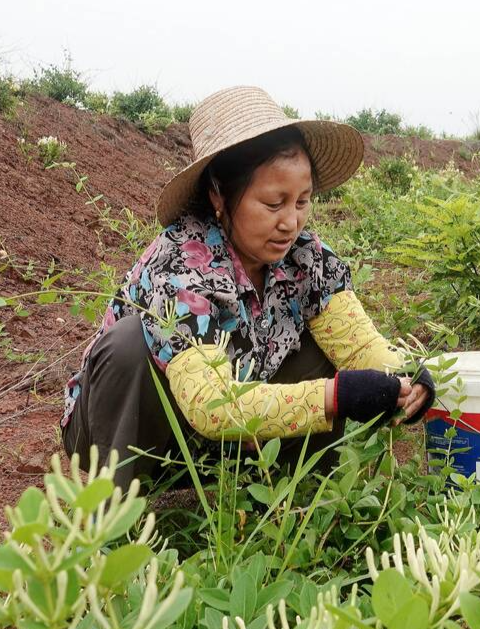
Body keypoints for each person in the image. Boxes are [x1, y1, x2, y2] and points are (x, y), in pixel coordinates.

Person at [62, 86, 435, 489]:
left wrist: (407, 376)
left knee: (328, 351)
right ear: (219, 195)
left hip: (224, 443)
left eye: (302, 202)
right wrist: (333, 398)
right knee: (130, 343)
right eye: (274, 204)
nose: (291, 222)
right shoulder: (183, 263)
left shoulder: (306, 258)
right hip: (143, 434)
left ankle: (288, 504)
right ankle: (113, 518)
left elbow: (360, 347)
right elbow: (209, 407)